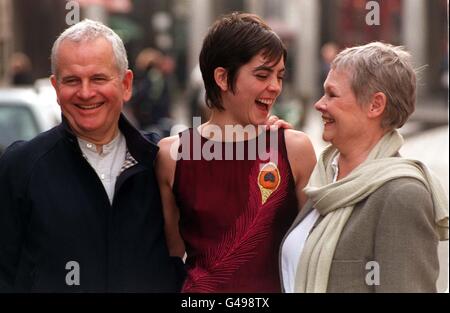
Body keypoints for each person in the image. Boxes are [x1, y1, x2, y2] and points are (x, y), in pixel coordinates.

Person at [0, 20, 184, 292]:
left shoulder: (162, 163)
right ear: (55, 87)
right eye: (72, 80)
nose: (86, 93)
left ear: (126, 84)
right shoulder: (21, 167)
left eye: (98, 78)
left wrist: (265, 134)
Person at [156, 12, 316, 292]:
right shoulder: (172, 155)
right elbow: (170, 257)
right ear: (222, 77)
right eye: (262, 74)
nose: (275, 87)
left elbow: (314, 252)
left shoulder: (294, 149)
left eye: (279, 76)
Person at [281, 42, 449, 293]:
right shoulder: (325, 178)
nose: (319, 104)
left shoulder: (403, 195)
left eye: (332, 94)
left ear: (375, 105)